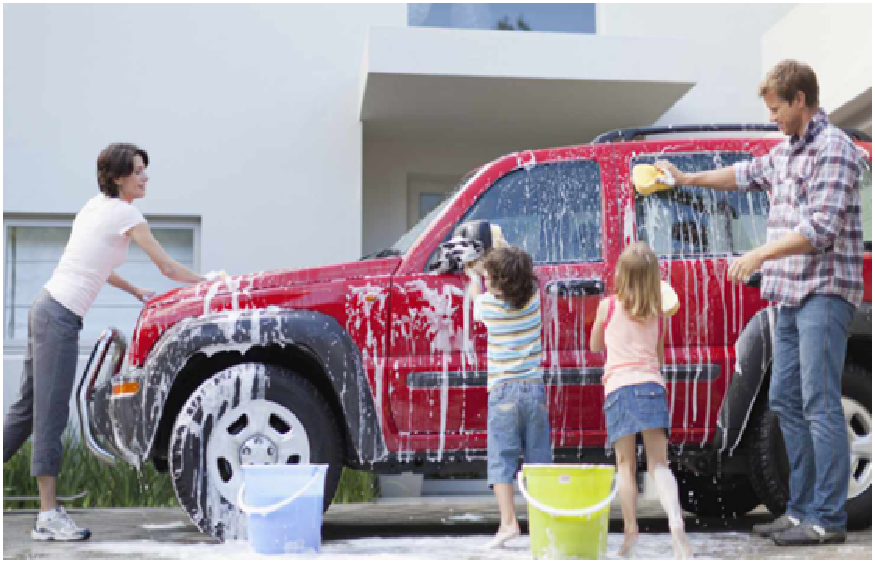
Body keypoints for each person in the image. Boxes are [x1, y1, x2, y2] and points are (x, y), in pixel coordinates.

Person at [655, 60, 863, 546]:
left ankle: (826, 519)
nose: (772, 117)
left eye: (776, 109)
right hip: (786, 295)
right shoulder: (788, 150)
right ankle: (799, 510)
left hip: (823, 293)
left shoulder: (834, 150)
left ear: (799, 101)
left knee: (819, 403)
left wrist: (758, 254)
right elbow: (741, 175)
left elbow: (822, 230)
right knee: (785, 401)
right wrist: (684, 178)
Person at [3, 143, 207, 541]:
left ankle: (47, 511)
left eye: (146, 169)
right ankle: (48, 516)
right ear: (117, 177)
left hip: (44, 306)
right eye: (137, 171)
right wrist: (211, 283)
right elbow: (167, 265)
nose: (145, 177)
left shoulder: (94, 207)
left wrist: (134, 291)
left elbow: (93, 263)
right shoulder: (127, 214)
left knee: (27, 410)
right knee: (49, 413)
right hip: (58, 315)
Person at [590, 241, 693, 559]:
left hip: (620, 389)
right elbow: (658, 358)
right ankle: (676, 522)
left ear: (620, 275)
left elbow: (595, 346)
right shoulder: (659, 314)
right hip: (652, 388)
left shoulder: (608, 307)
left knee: (625, 465)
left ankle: (631, 531)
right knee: (659, 464)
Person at [465, 245, 552, 549]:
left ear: (499, 284)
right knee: (538, 458)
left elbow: (476, 295)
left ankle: (508, 522)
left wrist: (472, 274)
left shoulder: (488, 306)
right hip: (533, 389)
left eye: (489, 277)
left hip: (503, 391)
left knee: (502, 458)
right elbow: (522, 277)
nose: (485, 281)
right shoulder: (534, 302)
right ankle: (542, 523)